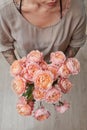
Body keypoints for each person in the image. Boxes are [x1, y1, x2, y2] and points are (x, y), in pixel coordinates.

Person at [0, 0, 86, 65]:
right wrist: (22, 74)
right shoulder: (6, 10)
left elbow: (76, 42)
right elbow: (5, 45)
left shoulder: (76, 7)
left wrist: (59, 73)